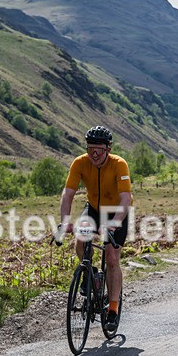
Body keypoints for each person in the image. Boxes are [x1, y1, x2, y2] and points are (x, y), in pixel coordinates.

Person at [58, 126, 132, 334]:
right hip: (93, 209)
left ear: (108, 148)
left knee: (111, 258)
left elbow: (126, 198)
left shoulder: (119, 164)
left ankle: (113, 310)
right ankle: (89, 274)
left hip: (116, 211)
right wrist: (65, 220)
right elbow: (68, 193)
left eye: (99, 149)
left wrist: (115, 223)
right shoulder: (80, 163)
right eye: (91, 149)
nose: (94, 154)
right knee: (80, 241)